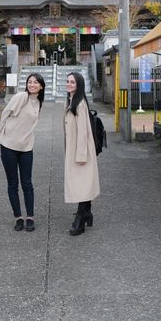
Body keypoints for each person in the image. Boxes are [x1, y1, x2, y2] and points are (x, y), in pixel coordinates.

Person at [0, 73, 45, 232]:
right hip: (8, 146)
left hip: (26, 148)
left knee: (27, 183)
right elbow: (5, 113)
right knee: (13, 184)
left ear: (41, 86)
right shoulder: (21, 96)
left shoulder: (38, 102)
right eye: (30, 82)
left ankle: (30, 217)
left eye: (35, 82)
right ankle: (18, 217)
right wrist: (2, 133)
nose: (32, 84)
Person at [63, 72, 100, 236]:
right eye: (68, 81)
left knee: (82, 184)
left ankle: (80, 218)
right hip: (75, 150)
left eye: (73, 82)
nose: (69, 84)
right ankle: (87, 212)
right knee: (84, 183)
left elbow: (83, 132)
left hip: (81, 151)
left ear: (79, 85)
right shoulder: (71, 101)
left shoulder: (80, 104)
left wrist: (81, 156)